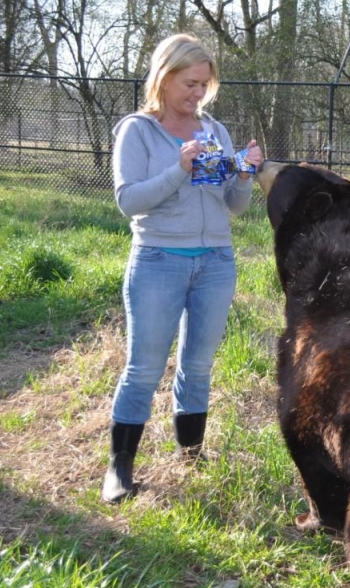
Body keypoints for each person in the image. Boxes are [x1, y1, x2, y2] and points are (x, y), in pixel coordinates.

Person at [102, 34, 264, 503]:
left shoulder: (214, 129)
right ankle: (119, 469)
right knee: (144, 367)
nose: (197, 94)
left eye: (204, 85)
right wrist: (179, 170)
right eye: (190, 84)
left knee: (198, 365)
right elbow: (127, 200)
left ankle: (191, 454)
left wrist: (246, 175)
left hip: (216, 261)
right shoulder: (138, 130)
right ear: (165, 75)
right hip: (158, 261)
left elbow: (233, 206)